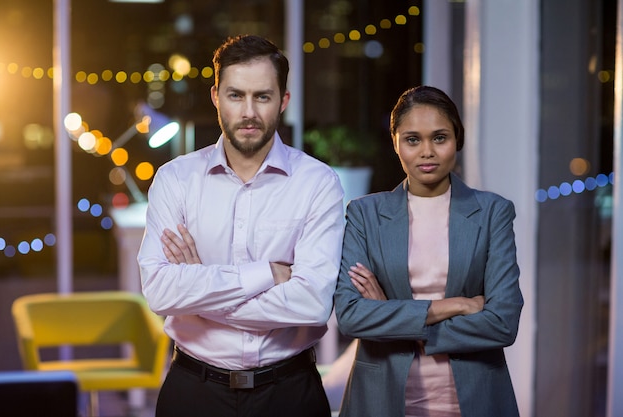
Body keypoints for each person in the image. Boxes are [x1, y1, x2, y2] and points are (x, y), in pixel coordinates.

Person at [137, 34, 345, 417]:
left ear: (283, 100)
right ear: (216, 96)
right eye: (236, 96)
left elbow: (313, 305)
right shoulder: (175, 180)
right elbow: (161, 293)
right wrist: (267, 273)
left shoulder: (318, 183)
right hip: (193, 392)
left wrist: (200, 288)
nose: (248, 111)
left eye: (262, 96)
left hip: (289, 392)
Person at [333, 85, 523, 417]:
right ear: (395, 143)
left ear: (457, 141)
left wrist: (393, 315)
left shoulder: (493, 212)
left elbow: (503, 322)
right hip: (383, 398)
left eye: (439, 138)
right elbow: (351, 317)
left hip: (474, 397)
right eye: (412, 139)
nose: (427, 152)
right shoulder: (365, 214)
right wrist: (458, 305)